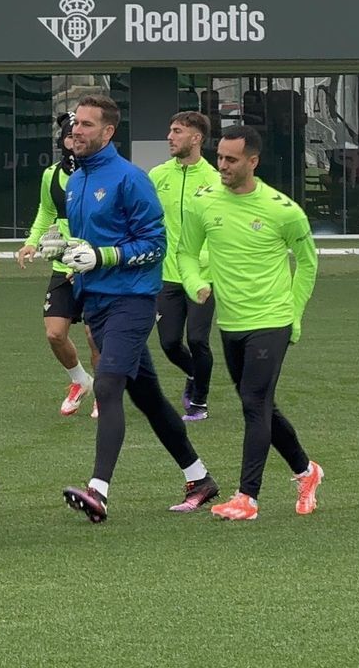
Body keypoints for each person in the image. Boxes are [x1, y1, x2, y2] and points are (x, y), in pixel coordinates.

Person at [56, 96, 219, 523]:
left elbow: (154, 246)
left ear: (108, 132)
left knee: (108, 387)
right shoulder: (74, 182)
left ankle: (98, 491)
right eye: (76, 123)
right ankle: (199, 478)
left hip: (133, 300)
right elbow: (89, 242)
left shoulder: (131, 179)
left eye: (88, 124)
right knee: (148, 397)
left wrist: (103, 257)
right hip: (98, 304)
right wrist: (71, 253)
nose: (77, 130)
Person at [177, 126, 325, 521]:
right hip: (231, 323)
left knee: (254, 403)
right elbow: (186, 254)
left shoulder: (283, 210)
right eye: (220, 157)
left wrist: (294, 315)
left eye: (231, 159)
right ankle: (307, 471)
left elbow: (308, 263)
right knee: (260, 404)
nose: (221, 165)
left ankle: (248, 497)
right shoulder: (203, 203)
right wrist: (195, 283)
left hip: (272, 320)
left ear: (252, 161)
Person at [16, 112, 98, 416]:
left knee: (94, 335)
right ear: (62, 140)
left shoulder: (98, 174)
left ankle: (103, 391)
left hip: (94, 265)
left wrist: (92, 257)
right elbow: (44, 212)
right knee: (54, 333)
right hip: (63, 267)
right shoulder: (51, 175)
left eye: (79, 134)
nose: (74, 140)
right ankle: (80, 380)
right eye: (69, 135)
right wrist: (29, 243)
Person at [149, 110, 219, 421]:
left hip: (203, 275)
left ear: (196, 138)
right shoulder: (158, 175)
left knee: (198, 339)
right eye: (171, 130)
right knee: (169, 343)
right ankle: (195, 375)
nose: (170, 137)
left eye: (177, 131)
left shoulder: (215, 180)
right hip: (165, 274)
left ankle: (200, 401)